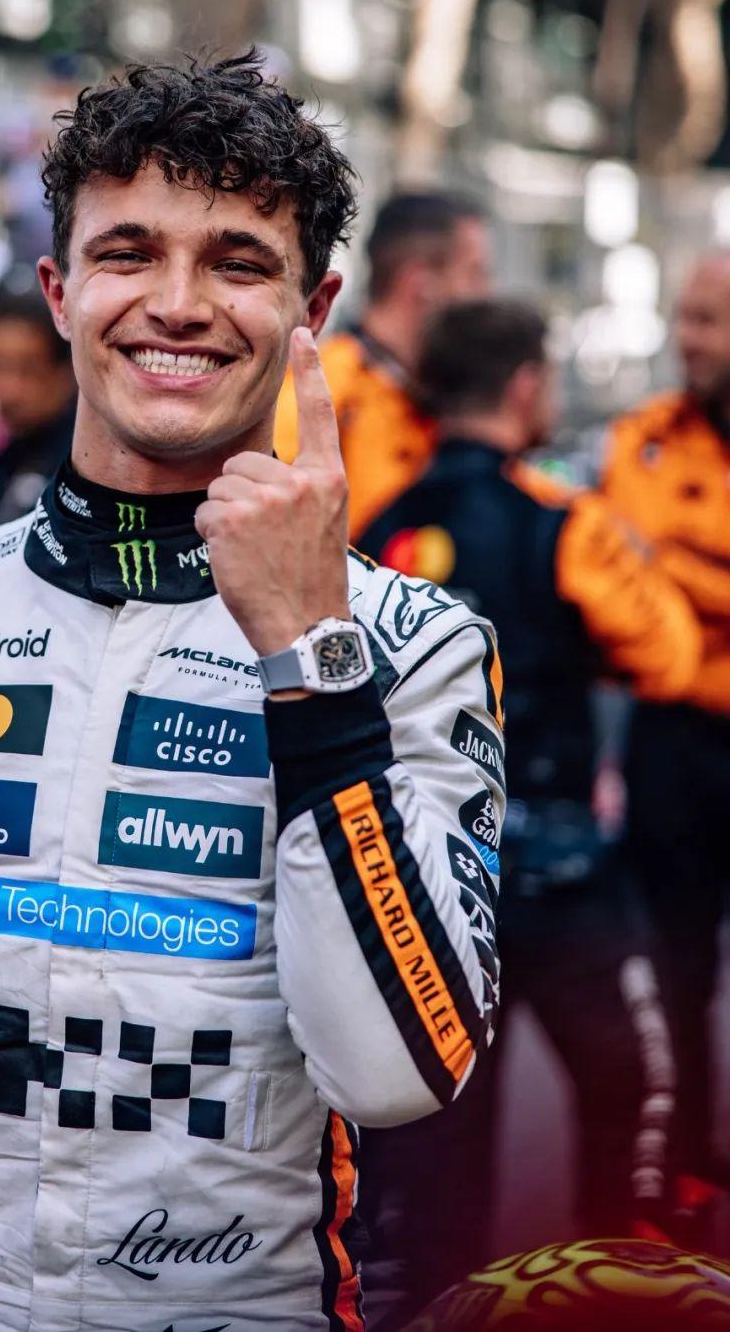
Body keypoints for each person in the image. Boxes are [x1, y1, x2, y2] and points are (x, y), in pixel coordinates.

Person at [0, 52, 504, 1332]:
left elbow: (398, 1071)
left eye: (237, 262)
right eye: (127, 253)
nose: (176, 304)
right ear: (61, 291)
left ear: (314, 308)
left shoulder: (412, 641)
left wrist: (310, 656)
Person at [358, 300, 700, 1329]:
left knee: (431, 1138)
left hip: (425, 879)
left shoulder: (380, 524)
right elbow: (668, 656)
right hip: (558, 874)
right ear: (524, 386)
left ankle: (436, 1300)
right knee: (638, 1087)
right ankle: (619, 1296)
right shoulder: (565, 522)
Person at [601, 250, 730, 1244]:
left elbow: (658, 572)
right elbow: (626, 577)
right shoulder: (640, 441)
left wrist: (681, 572)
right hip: (673, 740)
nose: (689, 340)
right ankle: (684, 1162)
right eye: (686, 318)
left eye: (710, 321)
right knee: (675, 964)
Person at [274, 190, 491, 538]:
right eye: (474, 273)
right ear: (419, 283)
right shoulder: (324, 390)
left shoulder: (435, 400)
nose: (485, 295)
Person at [0, 293, 77, 529]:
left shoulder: (83, 471)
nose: (8, 390)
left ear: (67, 371)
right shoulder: (0, 464)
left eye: (28, 370)